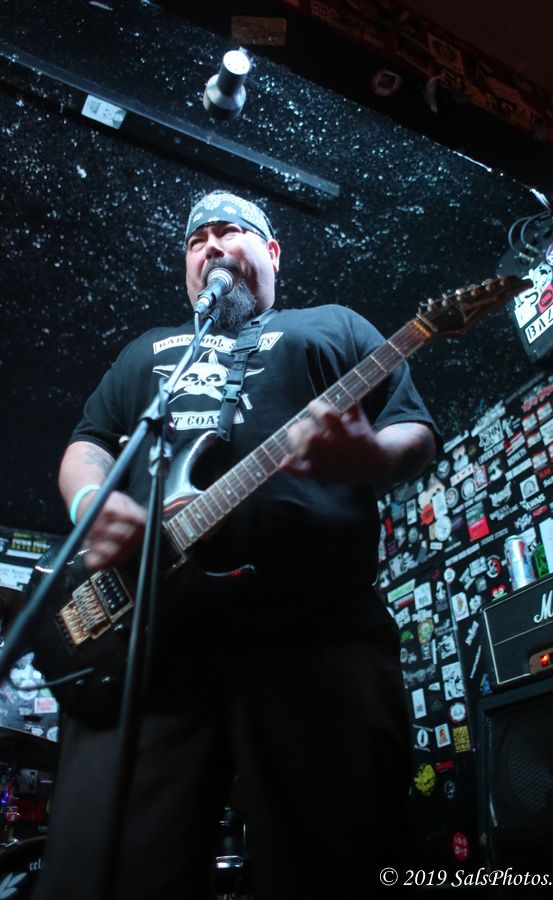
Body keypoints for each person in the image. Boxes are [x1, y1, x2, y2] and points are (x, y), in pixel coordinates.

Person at [33, 191, 439, 900]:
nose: (211, 247)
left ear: (272, 253)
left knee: (340, 863)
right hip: (148, 648)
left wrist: (371, 455)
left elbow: (414, 428)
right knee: (102, 871)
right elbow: (87, 443)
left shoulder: (332, 326)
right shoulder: (147, 352)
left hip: (313, 636)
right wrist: (90, 504)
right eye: (197, 241)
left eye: (229, 232)